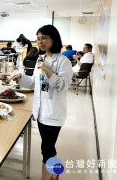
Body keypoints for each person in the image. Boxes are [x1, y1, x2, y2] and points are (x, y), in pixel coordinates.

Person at [8, 25, 73, 180]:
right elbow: (34, 83)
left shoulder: (63, 61)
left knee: (46, 149)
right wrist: (20, 77)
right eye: (38, 39)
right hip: (41, 111)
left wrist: (48, 70)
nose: (40, 42)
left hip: (53, 113)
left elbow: (63, 85)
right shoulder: (41, 58)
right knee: (49, 147)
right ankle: (56, 172)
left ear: (53, 39)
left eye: (44, 38)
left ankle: (47, 177)